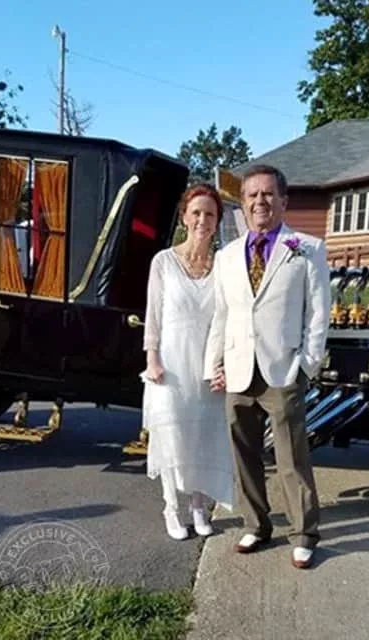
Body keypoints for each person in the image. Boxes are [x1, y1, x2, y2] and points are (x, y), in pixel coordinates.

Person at [204, 164, 331, 568]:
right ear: (242, 203)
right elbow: (222, 314)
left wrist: (306, 365)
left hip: (283, 370)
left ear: (283, 200)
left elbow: (318, 313)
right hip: (239, 369)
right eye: (252, 195)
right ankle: (256, 525)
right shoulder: (226, 256)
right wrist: (214, 365)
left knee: (292, 456)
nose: (260, 201)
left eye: (268, 194)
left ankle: (304, 532)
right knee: (244, 454)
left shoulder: (307, 248)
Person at [141, 183, 234, 541]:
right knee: (172, 437)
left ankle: (199, 506)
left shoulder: (224, 265)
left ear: (217, 221)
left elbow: (229, 318)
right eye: (196, 212)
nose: (202, 220)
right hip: (170, 367)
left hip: (207, 368)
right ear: (184, 217)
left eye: (210, 214)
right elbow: (153, 316)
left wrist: (224, 365)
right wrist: (152, 359)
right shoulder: (163, 262)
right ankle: (171, 508)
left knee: (204, 439)